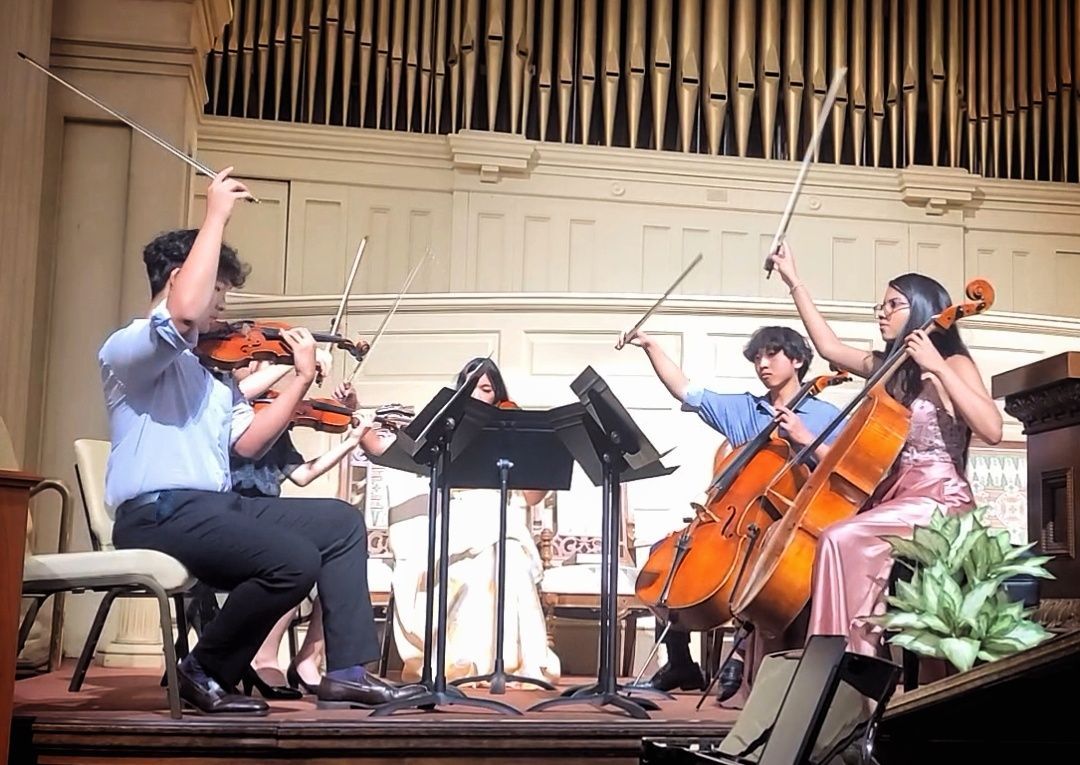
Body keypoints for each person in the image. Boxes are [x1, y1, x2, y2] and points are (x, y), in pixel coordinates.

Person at [100, 168, 423, 714]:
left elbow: (247, 445)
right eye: (218, 292)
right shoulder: (130, 350)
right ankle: (204, 669)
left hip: (214, 507)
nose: (224, 307)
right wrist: (216, 214)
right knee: (292, 559)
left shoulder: (213, 374)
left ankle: (345, 671)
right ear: (182, 278)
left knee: (339, 523)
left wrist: (298, 378)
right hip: (158, 513)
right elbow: (179, 315)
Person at [766, 241, 1003, 656]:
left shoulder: (955, 365)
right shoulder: (889, 370)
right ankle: (840, 663)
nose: (881, 312)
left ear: (924, 310)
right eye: (881, 304)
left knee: (841, 538)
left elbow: (993, 429)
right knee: (825, 535)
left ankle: (850, 663)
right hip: (896, 498)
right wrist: (793, 280)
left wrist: (939, 368)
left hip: (940, 501)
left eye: (892, 304)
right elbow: (829, 348)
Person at [618, 325, 842, 700]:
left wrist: (804, 437)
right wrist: (651, 347)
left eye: (771, 355)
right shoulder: (743, 408)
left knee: (760, 568)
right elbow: (685, 389)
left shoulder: (825, 415)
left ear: (798, 360)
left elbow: (840, 473)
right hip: (737, 523)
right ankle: (679, 661)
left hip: (788, 529)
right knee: (667, 559)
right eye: (757, 357)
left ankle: (739, 655)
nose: (762, 364)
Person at [340, 357, 562, 686]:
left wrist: (541, 458)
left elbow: (531, 498)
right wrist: (352, 409)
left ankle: (511, 664)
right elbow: (379, 447)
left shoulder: (508, 430)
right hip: (452, 521)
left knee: (509, 559)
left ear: (497, 394)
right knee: (475, 568)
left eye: (486, 388)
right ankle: (465, 664)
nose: (478, 395)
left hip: (500, 519)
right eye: (470, 388)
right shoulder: (441, 432)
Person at [226, 358, 373, 698]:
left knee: (336, 555)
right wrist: (296, 366)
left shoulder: (274, 419)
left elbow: (302, 475)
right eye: (253, 363)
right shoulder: (219, 406)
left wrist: (350, 443)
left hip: (267, 512)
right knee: (296, 553)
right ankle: (265, 656)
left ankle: (310, 658)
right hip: (228, 511)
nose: (258, 368)